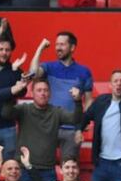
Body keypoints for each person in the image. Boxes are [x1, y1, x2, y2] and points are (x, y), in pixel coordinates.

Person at [2, 79, 85, 181]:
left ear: (50, 93)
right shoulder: (24, 109)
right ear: (32, 93)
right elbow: (6, 114)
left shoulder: (56, 112)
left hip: (47, 170)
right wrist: (13, 94)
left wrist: (78, 101)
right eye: (39, 90)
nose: (42, 93)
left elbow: (75, 119)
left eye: (45, 90)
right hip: (25, 168)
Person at [30, 33, 94, 162]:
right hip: (49, 127)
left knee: (69, 169)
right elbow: (33, 73)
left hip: (72, 130)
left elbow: (88, 100)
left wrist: (82, 125)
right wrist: (40, 48)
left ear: (72, 47)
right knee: (44, 166)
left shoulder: (84, 71)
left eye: (62, 44)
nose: (58, 47)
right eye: (56, 44)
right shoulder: (49, 67)